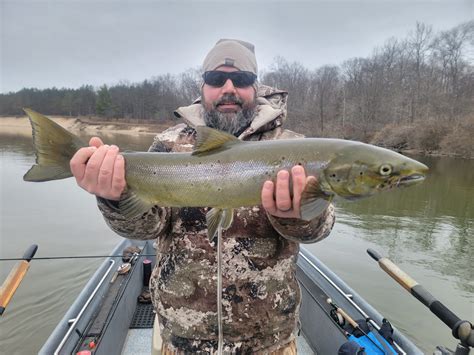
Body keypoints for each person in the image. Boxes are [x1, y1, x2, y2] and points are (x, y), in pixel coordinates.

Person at [70, 39, 335, 354]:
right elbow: (147, 228)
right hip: (182, 338)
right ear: (203, 85)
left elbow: (320, 228)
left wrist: (299, 216)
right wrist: (114, 199)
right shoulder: (167, 145)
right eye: (215, 79)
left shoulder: (296, 148)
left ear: (256, 86)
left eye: (241, 80)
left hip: (269, 341)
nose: (228, 88)